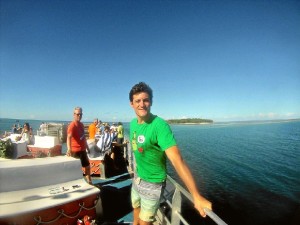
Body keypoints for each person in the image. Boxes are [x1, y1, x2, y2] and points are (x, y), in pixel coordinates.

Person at [129, 82, 212, 225]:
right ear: (132, 104)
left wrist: (196, 195)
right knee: (135, 210)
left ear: (151, 102)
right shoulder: (132, 124)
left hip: (152, 183)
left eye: (146, 100)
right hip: (137, 178)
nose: (142, 104)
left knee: (144, 223)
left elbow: (177, 160)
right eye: (137, 101)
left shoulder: (160, 126)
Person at [66, 107, 92, 185]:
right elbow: (68, 137)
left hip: (83, 150)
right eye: (77, 114)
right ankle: (75, 185)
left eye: (80, 114)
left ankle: (90, 182)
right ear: (74, 115)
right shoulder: (72, 125)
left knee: (87, 167)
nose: (79, 116)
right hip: (75, 151)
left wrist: (87, 147)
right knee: (76, 171)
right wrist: (69, 149)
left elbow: (83, 137)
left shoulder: (81, 124)